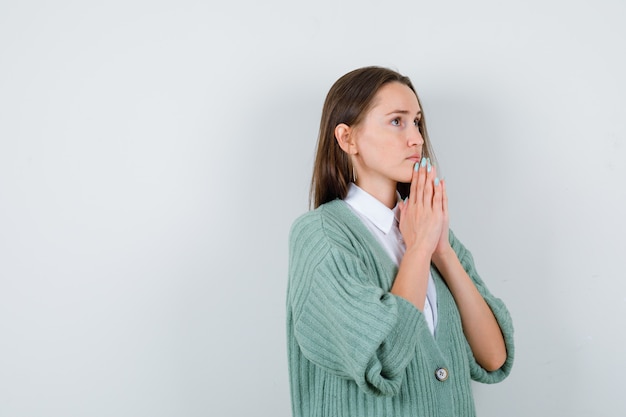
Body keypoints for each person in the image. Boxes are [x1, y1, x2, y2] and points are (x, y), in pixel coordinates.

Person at [286, 66, 514, 417]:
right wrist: (420, 249)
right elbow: (383, 356)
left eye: (417, 122)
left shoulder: (429, 229)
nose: (417, 139)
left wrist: (442, 251)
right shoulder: (320, 236)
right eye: (397, 121)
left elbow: (493, 356)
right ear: (348, 139)